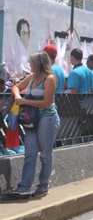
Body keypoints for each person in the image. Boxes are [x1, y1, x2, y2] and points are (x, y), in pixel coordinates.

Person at [7, 51, 60, 199]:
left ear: (38, 63)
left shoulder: (49, 79)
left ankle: (43, 185)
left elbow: (46, 102)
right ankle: (24, 187)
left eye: (31, 62)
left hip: (47, 118)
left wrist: (25, 101)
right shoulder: (32, 77)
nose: (29, 64)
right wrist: (18, 96)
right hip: (31, 120)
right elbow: (16, 87)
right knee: (29, 153)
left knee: (45, 154)